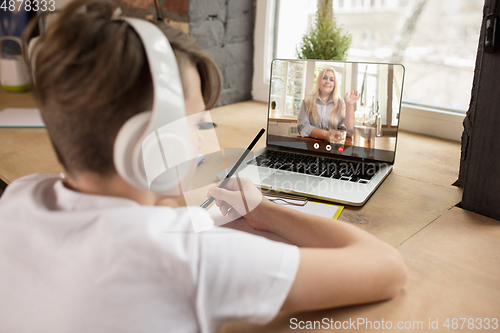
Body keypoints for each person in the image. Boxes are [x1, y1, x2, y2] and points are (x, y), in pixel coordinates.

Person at [0, 1, 407, 332]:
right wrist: (263, 211)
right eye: (197, 125)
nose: (202, 142)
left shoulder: (22, 196)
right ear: (147, 139)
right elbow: (387, 268)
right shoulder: (186, 260)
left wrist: (180, 213)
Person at [298, 67, 361, 142]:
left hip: (334, 148)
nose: (327, 81)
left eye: (331, 80)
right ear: (319, 81)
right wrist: (326, 134)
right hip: (311, 147)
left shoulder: (340, 104)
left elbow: (349, 132)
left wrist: (349, 105)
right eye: (324, 78)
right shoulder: (307, 102)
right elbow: (303, 127)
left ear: (335, 84)